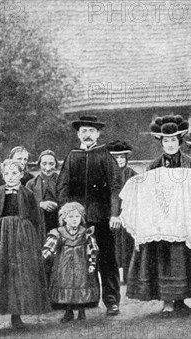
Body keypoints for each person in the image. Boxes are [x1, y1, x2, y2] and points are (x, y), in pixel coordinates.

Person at [124, 115, 191, 316]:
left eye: (173, 140)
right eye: (166, 141)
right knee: (164, 259)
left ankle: (181, 298)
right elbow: (147, 196)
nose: (169, 144)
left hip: (184, 219)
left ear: (179, 142)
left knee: (183, 259)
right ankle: (167, 301)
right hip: (163, 221)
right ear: (161, 143)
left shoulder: (190, 163)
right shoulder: (153, 166)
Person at [0, 159, 49, 338]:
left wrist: (33, 240)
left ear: (21, 175)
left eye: (14, 173)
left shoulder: (28, 193)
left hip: (21, 238)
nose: (10, 177)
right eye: (7, 174)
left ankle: (16, 316)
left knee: (17, 274)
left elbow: (35, 218)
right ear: (2, 176)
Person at [56, 116, 122, 316]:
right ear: (78, 134)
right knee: (76, 260)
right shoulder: (72, 156)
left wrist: (114, 214)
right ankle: (77, 303)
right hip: (78, 220)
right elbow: (62, 186)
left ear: (98, 134)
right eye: (84, 131)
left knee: (107, 260)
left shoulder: (105, 155)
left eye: (91, 131)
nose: (87, 134)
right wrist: (66, 213)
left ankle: (111, 301)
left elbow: (115, 186)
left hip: (101, 217)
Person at [43, 202, 100, 323]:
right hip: (64, 266)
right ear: (64, 218)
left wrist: (92, 264)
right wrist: (42, 258)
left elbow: (93, 249)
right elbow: (49, 248)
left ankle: (81, 311)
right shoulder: (58, 232)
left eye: (77, 217)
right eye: (70, 217)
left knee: (81, 285)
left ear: (81, 218)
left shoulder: (86, 232)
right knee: (66, 286)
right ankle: (68, 312)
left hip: (81, 265)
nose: (74, 220)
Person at [105, 140, 138, 283]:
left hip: (129, 214)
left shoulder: (132, 174)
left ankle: (130, 276)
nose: (119, 160)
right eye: (115, 158)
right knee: (113, 246)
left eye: (121, 157)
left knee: (128, 245)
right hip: (111, 214)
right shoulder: (106, 174)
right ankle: (114, 276)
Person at [26, 150, 59, 234]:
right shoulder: (31, 184)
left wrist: (58, 205)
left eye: (51, 164)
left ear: (56, 165)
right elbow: (25, 204)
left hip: (59, 221)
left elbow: (70, 201)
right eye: (44, 164)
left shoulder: (62, 182)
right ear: (39, 165)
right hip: (39, 223)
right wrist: (40, 204)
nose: (48, 168)